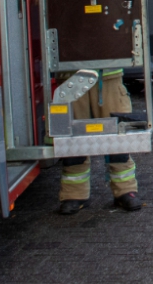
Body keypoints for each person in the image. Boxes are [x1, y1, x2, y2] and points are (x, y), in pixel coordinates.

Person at [58, 69, 142, 214]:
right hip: (71, 77)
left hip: (109, 75)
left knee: (118, 139)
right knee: (73, 141)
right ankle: (74, 195)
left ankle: (125, 190)